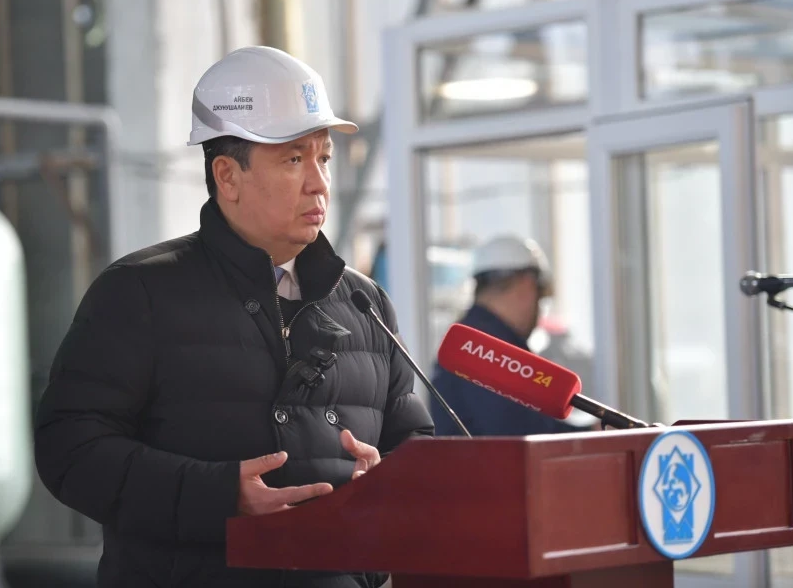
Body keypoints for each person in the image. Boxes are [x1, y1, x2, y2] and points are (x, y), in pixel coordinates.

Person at [34, 46, 434, 588]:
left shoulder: (367, 305)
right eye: (293, 160)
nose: (319, 183)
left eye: (324, 158)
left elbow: (418, 450)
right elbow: (70, 450)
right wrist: (217, 495)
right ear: (227, 176)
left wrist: (389, 484)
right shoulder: (139, 293)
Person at [429, 235, 585, 436]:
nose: (539, 310)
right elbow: (524, 434)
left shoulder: (468, 343)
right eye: (539, 297)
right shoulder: (492, 352)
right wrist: (588, 434)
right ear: (526, 286)